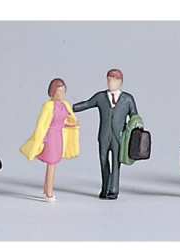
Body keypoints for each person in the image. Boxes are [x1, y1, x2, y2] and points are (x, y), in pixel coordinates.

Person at [72, 69, 141, 200]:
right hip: (104, 136)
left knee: (116, 162)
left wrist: (137, 123)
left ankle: (113, 189)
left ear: (120, 82)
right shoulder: (100, 97)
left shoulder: (127, 99)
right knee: (103, 161)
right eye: (108, 80)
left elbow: (134, 114)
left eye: (113, 81)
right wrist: (70, 108)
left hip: (118, 137)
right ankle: (105, 188)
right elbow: (87, 104)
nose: (110, 83)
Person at [19, 78, 80, 202]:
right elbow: (42, 124)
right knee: (51, 163)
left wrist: (72, 124)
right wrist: (40, 138)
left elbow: (62, 122)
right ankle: (49, 193)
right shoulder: (48, 106)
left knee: (54, 163)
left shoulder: (65, 105)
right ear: (52, 92)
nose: (62, 94)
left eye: (63, 91)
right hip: (50, 136)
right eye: (59, 91)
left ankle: (46, 189)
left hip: (59, 136)